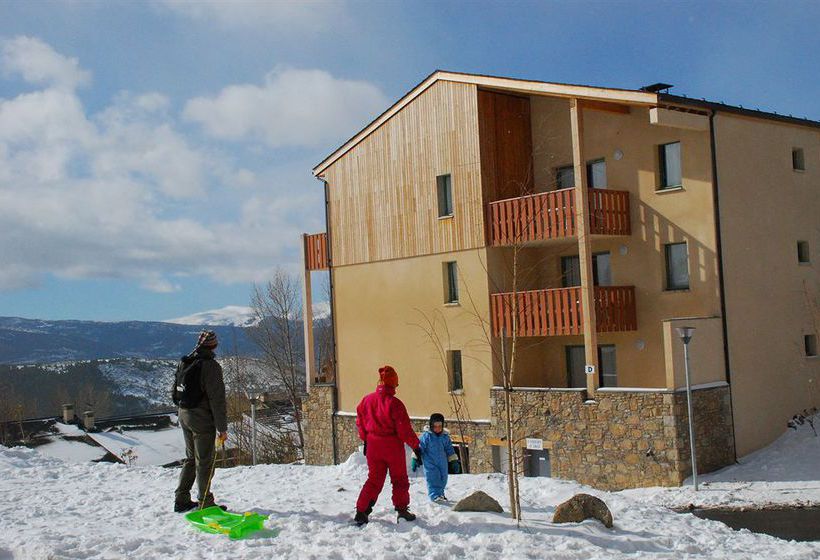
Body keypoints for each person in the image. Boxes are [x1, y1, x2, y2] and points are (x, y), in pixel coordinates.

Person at [354, 365, 422, 525]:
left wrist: (365, 439)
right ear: (393, 383)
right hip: (392, 447)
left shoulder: (366, 400)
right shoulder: (395, 404)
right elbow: (404, 429)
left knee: (374, 479)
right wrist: (416, 446)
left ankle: (361, 511)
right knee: (399, 479)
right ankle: (402, 511)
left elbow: (360, 421)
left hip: (373, 446)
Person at [173, 330, 228, 512]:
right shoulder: (210, 366)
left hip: (184, 413)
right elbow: (217, 399)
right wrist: (222, 427)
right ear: (213, 345)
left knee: (190, 458)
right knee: (204, 461)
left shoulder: (186, 361)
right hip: (201, 419)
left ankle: (181, 498)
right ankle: (205, 501)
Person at [413, 413, 461, 502]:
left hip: (442, 463)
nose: (438, 428)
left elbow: (449, 449)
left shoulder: (445, 437)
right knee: (433, 478)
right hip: (430, 462)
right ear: (431, 425)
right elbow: (419, 447)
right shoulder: (426, 436)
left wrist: (454, 461)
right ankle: (434, 495)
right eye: (435, 426)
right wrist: (415, 458)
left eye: (440, 426)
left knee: (443, 479)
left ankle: (440, 494)